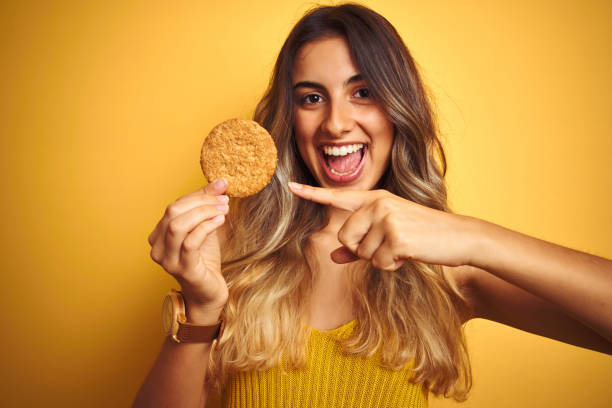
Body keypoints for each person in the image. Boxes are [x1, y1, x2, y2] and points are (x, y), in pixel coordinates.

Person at [134, 3, 612, 407]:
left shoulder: (444, 268)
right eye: (312, 98)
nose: (336, 123)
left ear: (398, 108)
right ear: (290, 120)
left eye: (362, 93)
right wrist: (201, 308)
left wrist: (473, 237)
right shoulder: (241, 257)